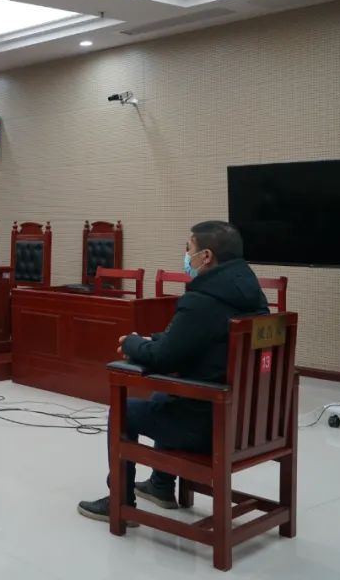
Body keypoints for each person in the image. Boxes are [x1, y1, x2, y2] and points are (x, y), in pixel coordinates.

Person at [77, 221, 269, 522]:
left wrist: (132, 343)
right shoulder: (252, 295)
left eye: (189, 249)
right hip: (251, 423)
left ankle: (120, 500)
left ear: (206, 256)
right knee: (163, 396)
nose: (186, 256)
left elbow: (164, 358)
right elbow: (196, 341)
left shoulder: (203, 299)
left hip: (209, 426)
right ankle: (161, 486)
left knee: (124, 409)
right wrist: (154, 341)